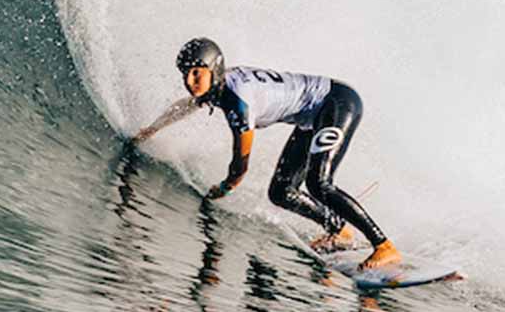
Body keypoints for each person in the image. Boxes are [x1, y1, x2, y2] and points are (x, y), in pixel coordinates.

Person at [133, 37, 402, 270]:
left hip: (337, 103)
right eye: (185, 74)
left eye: (196, 73)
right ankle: (339, 230)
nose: (189, 81)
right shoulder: (217, 84)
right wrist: (152, 129)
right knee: (282, 192)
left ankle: (384, 246)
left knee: (319, 184)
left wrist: (224, 188)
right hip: (312, 117)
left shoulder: (239, 101)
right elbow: (188, 105)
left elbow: (240, 166)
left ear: (213, 69)